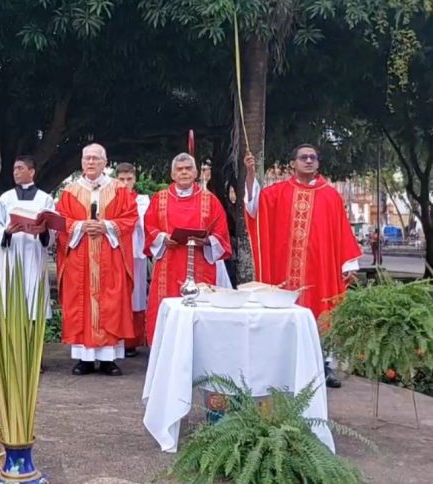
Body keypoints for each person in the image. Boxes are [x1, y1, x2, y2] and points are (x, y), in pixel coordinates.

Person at [245, 145, 362, 388]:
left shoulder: (330, 195)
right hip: (285, 271)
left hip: (320, 269)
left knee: (323, 312)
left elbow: (342, 230)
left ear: (318, 163)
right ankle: (281, 366)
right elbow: (253, 207)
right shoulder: (278, 193)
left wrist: (348, 263)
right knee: (285, 314)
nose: (308, 161)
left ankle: (324, 366)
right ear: (293, 163)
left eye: (313, 158)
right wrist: (249, 175)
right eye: (303, 157)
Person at [57, 143, 138, 376]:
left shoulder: (119, 190)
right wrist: (81, 225)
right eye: (86, 158)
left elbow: (130, 218)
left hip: (109, 257)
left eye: (95, 158)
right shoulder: (70, 191)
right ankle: (84, 358)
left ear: (105, 162)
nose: (90, 162)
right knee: (80, 305)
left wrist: (106, 226)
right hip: (79, 257)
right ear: (81, 162)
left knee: (110, 304)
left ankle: (108, 359)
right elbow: (61, 221)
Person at [144, 153, 232, 345]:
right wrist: (162, 237)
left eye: (188, 168)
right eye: (179, 169)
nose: (184, 172)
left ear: (195, 172)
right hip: (169, 261)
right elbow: (149, 227)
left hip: (199, 263)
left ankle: (202, 352)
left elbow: (221, 234)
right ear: (172, 174)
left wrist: (207, 241)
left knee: (200, 310)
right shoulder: (160, 199)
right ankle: (164, 350)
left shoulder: (210, 200)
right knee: (166, 305)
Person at [0, 155, 55, 320]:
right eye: (14, 169)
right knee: (10, 299)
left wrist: (43, 230)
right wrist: (7, 231)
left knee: (34, 299)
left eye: (20, 168)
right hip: (11, 253)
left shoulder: (45, 198)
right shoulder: (6, 198)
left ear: (31, 172)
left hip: (34, 252)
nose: (15, 172)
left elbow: (53, 229)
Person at [115, 163, 151, 358]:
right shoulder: (110, 198)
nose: (125, 183)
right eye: (121, 180)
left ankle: (132, 341)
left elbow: (143, 222)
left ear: (134, 180)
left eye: (129, 179)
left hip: (135, 253)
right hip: (116, 252)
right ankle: (116, 337)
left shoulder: (143, 200)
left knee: (135, 295)